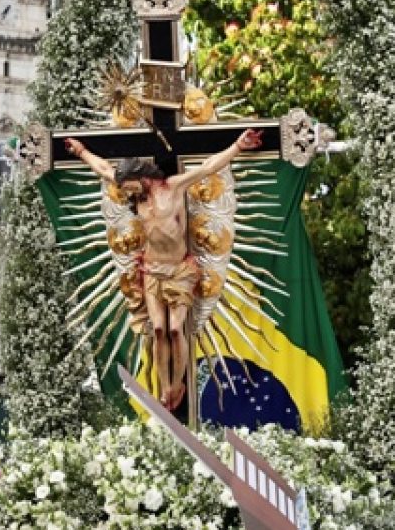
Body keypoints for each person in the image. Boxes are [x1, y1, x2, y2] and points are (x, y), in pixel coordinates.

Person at [65, 129, 263, 411]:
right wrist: (81, 151)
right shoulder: (134, 192)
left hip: (180, 270)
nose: (127, 192)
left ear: (141, 177)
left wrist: (238, 146)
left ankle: (178, 383)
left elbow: (208, 167)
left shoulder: (173, 187)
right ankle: (165, 387)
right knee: (157, 330)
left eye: (130, 186)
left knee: (173, 329)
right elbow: (104, 169)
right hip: (151, 270)